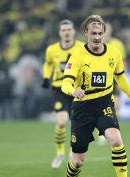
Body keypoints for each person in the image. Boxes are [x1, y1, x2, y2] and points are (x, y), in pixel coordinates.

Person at [57, 15, 130, 177]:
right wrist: (74, 90)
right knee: (78, 161)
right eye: (93, 33)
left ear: (104, 33)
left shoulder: (113, 53)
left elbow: (121, 79)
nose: (97, 37)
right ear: (86, 33)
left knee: (115, 139)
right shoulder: (78, 55)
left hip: (104, 103)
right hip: (82, 108)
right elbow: (66, 82)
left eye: (100, 33)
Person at [42, 19, 84, 169]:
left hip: (75, 89)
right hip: (59, 90)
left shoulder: (81, 47)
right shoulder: (51, 50)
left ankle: (74, 150)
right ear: (60, 33)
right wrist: (46, 77)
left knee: (76, 123)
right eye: (63, 30)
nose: (66, 32)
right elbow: (47, 64)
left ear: (73, 31)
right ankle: (60, 153)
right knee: (61, 121)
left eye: (69, 30)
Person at [96, 22, 127, 145]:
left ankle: (113, 128)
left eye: (108, 30)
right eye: (105, 30)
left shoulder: (118, 44)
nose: (106, 32)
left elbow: (123, 61)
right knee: (100, 106)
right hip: (101, 77)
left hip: (114, 77)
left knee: (117, 104)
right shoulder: (96, 44)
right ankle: (102, 131)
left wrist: (123, 76)